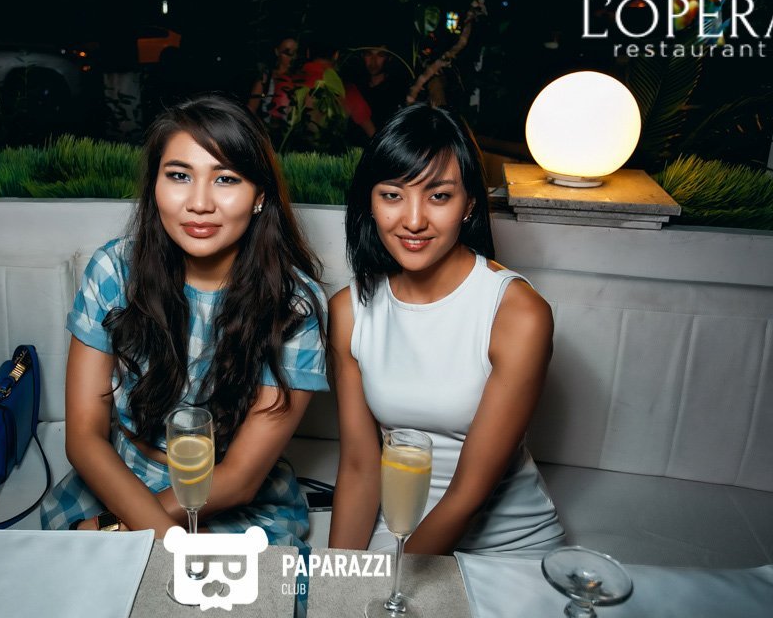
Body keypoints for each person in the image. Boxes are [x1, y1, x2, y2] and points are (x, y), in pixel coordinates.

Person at [40, 95, 328, 556]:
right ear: (155, 184)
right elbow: (85, 437)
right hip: (121, 480)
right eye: (179, 175)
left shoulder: (294, 306)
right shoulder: (114, 270)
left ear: (259, 197)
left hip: (228, 498)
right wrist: (155, 534)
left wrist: (120, 533)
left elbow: (239, 480)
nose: (199, 203)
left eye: (226, 179)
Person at [328, 104, 565, 557]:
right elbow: (359, 468)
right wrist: (337, 579)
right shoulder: (349, 311)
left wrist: (396, 583)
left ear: (469, 203)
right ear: (369, 203)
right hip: (398, 529)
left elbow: (467, 496)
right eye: (392, 195)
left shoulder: (518, 314)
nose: (414, 220)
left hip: (508, 544)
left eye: (438, 196)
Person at [247, 36, 299, 129]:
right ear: (277, 52)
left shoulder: (300, 77)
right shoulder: (266, 77)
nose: (293, 57)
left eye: (295, 52)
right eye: (287, 52)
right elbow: (251, 109)